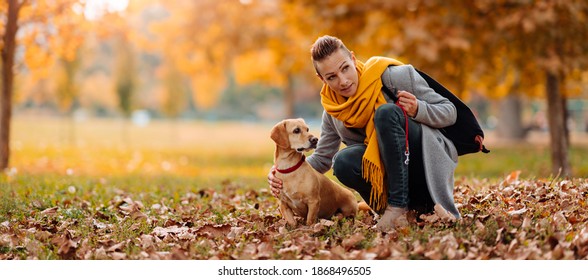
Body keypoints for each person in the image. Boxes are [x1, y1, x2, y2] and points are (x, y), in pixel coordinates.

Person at [268, 35, 460, 231]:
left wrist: (418, 108)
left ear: (352, 58)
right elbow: (322, 159)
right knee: (342, 161)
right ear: (321, 79)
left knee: (386, 113)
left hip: (422, 166)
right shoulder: (334, 111)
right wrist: (282, 172)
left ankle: (398, 208)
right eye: (331, 77)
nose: (343, 81)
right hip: (389, 180)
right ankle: (392, 208)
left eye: (345, 68)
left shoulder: (394, 77)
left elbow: (450, 112)